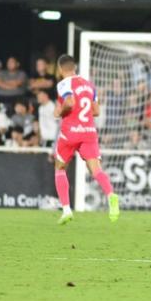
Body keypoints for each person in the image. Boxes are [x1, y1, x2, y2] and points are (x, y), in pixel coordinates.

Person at [52, 54, 119, 225]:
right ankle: (111, 194)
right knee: (96, 170)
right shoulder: (89, 85)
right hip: (89, 131)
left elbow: (69, 102)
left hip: (71, 132)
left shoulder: (64, 83)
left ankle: (66, 210)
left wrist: (59, 112)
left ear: (60, 69)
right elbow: (96, 111)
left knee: (60, 168)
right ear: (74, 67)